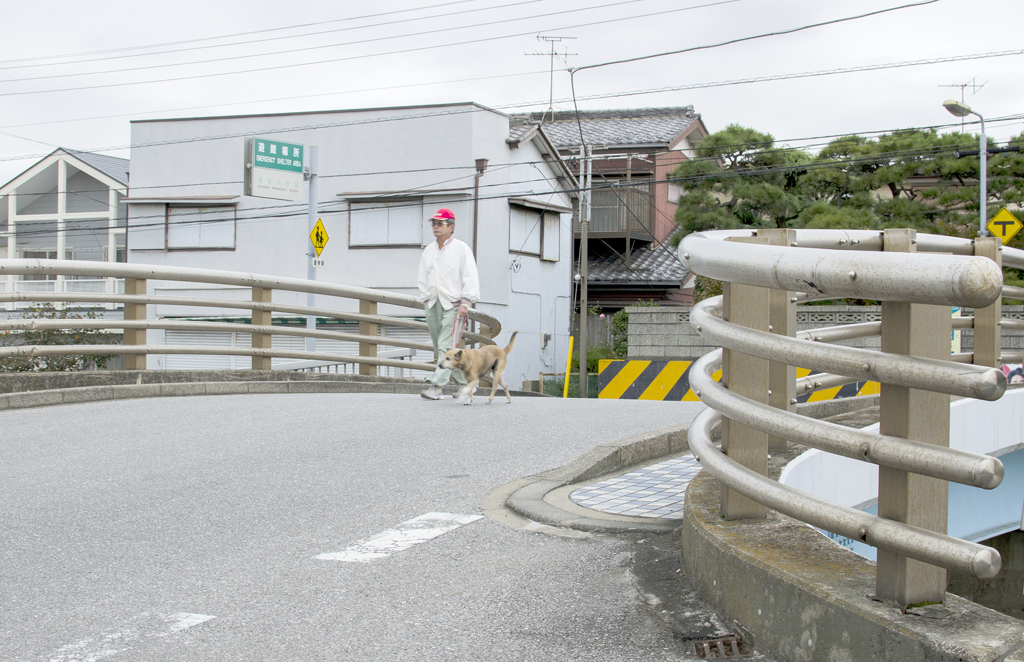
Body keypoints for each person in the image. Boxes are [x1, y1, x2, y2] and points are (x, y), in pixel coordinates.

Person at [417, 208, 480, 400]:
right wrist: (426, 299)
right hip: (434, 303)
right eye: (433, 224)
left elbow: (470, 276)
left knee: (445, 346)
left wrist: (466, 302)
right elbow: (422, 277)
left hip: (454, 305)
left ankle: (436, 386)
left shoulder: (461, 248)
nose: (435, 227)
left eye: (440, 223)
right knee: (441, 348)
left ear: (450, 227)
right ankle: (466, 384)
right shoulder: (429, 250)